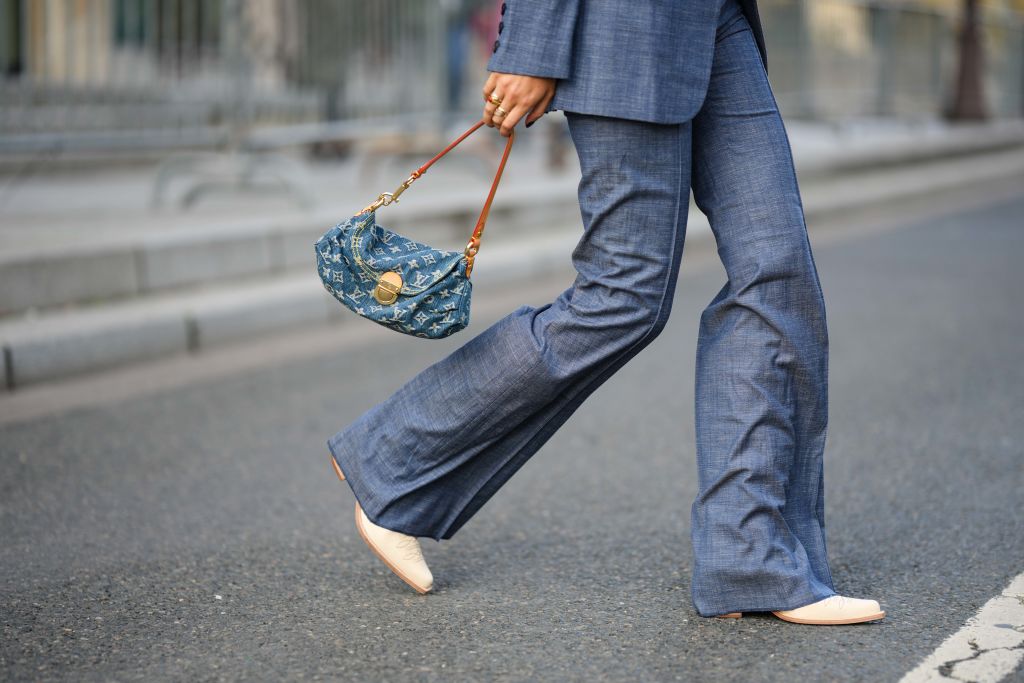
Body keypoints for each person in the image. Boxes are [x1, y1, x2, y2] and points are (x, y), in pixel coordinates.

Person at [327, 0, 886, 625]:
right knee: (623, 296)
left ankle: (748, 559)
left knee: (778, 273)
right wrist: (532, 48)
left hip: (716, 19)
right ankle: (391, 456)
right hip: (624, 28)